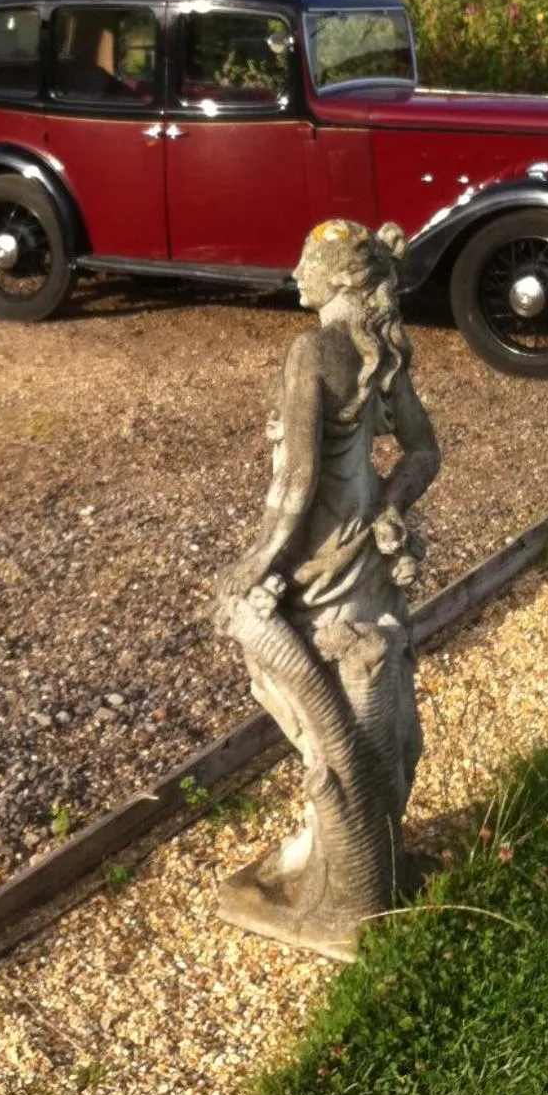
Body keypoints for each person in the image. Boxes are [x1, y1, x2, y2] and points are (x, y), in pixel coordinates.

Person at [214, 219, 441, 956]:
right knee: (372, 707)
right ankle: (352, 857)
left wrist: (255, 564)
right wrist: (389, 506)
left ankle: (342, 888)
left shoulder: (313, 352)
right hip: (366, 559)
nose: (295, 276)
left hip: (316, 564)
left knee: (312, 710)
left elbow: (299, 482)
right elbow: (424, 451)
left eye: (308, 265)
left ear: (340, 279)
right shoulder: (382, 356)